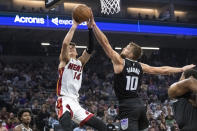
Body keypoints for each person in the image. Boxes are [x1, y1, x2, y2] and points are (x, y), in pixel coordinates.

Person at [88, 10, 195, 131]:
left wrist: (94, 26)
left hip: (127, 107)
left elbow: (105, 43)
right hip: (139, 106)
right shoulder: (140, 65)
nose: (124, 48)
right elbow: (162, 70)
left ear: (132, 54)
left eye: (127, 48)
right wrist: (181, 68)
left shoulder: (120, 61)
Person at [55, 18, 107, 131]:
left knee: (102, 126)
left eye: (74, 47)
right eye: (70, 48)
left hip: (75, 102)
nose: (72, 48)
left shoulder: (80, 62)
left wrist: (89, 29)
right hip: (64, 100)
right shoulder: (64, 61)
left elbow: (90, 48)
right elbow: (65, 43)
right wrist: (74, 26)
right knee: (67, 127)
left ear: (77, 51)